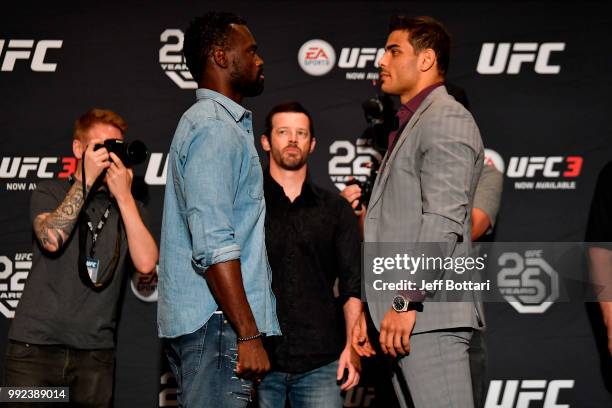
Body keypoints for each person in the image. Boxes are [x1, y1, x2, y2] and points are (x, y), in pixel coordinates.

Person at [351, 15, 485, 408]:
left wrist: (405, 300)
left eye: (394, 51)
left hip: (426, 315)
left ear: (426, 60)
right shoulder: (411, 123)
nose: (381, 60)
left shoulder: (445, 118)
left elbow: (442, 222)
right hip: (408, 318)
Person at [157, 12, 280, 407]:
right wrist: (247, 333)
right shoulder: (214, 128)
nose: (260, 61)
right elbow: (212, 243)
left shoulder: (216, 125)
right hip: (219, 326)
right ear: (221, 58)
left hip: (214, 326)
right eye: (252, 51)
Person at [4, 108, 158, 407]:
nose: (109, 157)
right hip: (33, 352)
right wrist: (85, 181)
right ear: (78, 148)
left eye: (116, 148)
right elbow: (51, 240)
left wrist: (124, 198)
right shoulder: (49, 191)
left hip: (94, 356)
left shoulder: (130, 207)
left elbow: (146, 263)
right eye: (101, 147)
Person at [257, 102, 362, 407]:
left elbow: (352, 284)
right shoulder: (246, 205)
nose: (292, 139)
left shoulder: (336, 209)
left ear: (312, 144)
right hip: (256, 359)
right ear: (266, 141)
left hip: (322, 360)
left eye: (300, 133)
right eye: (283, 132)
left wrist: (351, 347)